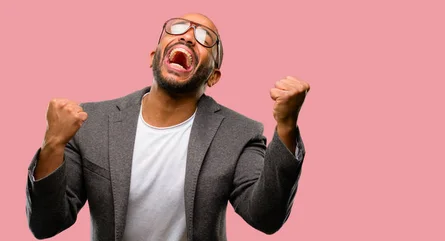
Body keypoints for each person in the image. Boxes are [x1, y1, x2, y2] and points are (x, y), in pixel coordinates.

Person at [25, 12, 310, 241]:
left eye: (204, 37)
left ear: (214, 77)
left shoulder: (240, 133)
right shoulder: (91, 122)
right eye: (177, 28)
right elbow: (46, 224)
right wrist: (53, 144)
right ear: (153, 57)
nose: (187, 36)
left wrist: (286, 126)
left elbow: (265, 217)